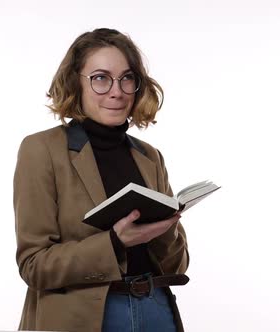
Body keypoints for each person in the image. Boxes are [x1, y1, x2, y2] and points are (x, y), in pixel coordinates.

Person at [13, 28, 189, 332]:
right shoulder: (41, 150)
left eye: (127, 78)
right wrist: (113, 242)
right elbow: (34, 265)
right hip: (85, 318)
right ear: (75, 83)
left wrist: (166, 228)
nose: (116, 91)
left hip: (156, 310)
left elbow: (178, 265)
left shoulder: (150, 156)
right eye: (100, 77)